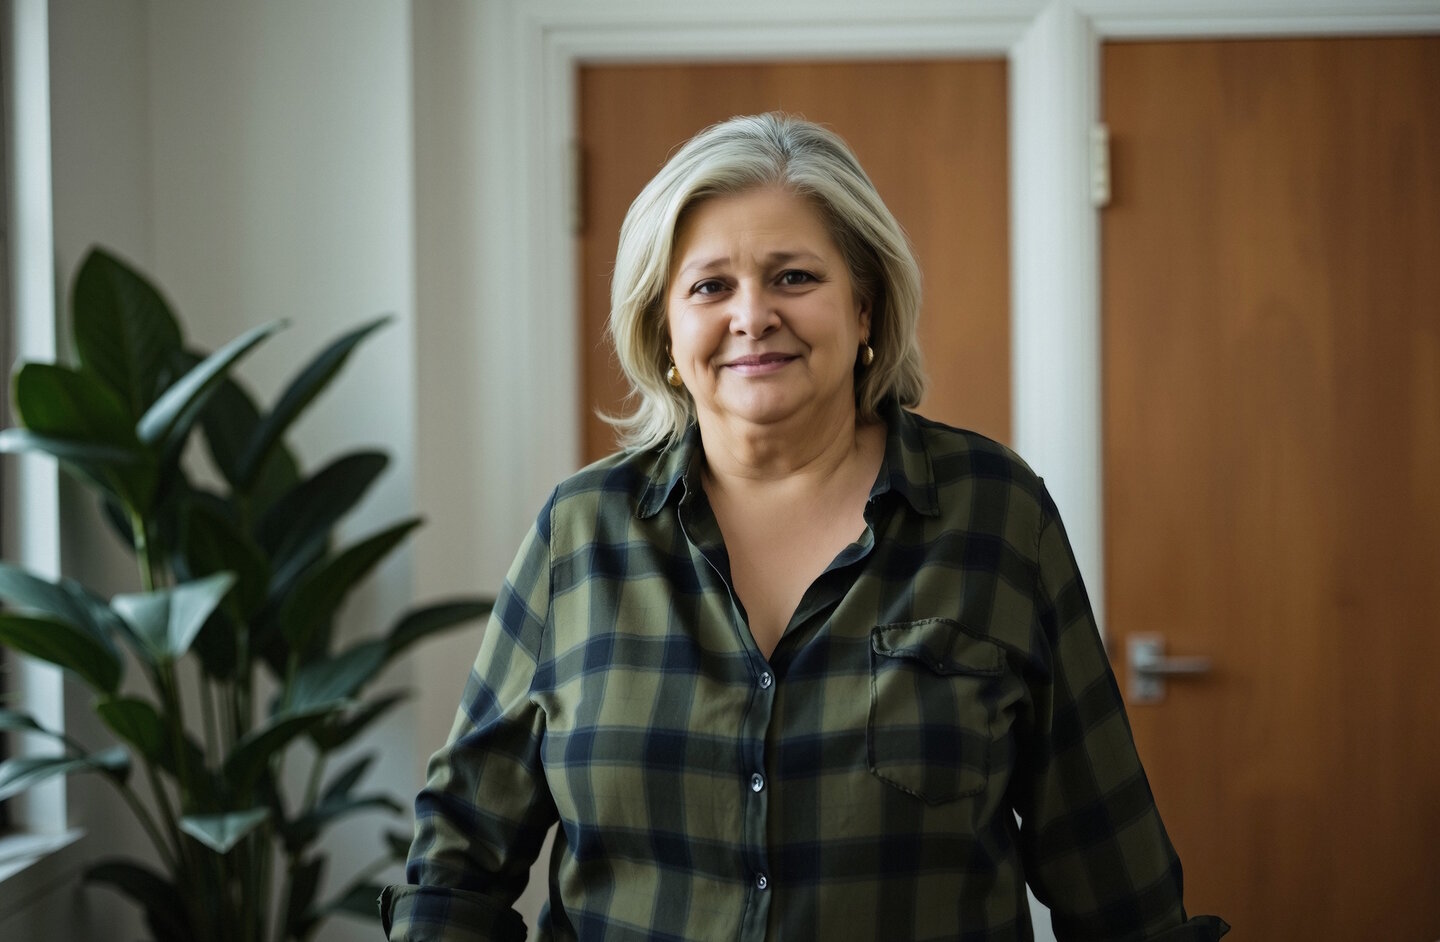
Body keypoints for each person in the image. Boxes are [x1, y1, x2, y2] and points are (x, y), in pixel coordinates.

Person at [381, 113, 1228, 941]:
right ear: (665, 332)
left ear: (864, 308)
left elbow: (1111, 867)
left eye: (794, 277)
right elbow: (460, 858)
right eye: (711, 286)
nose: (753, 316)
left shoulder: (995, 513)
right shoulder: (581, 533)